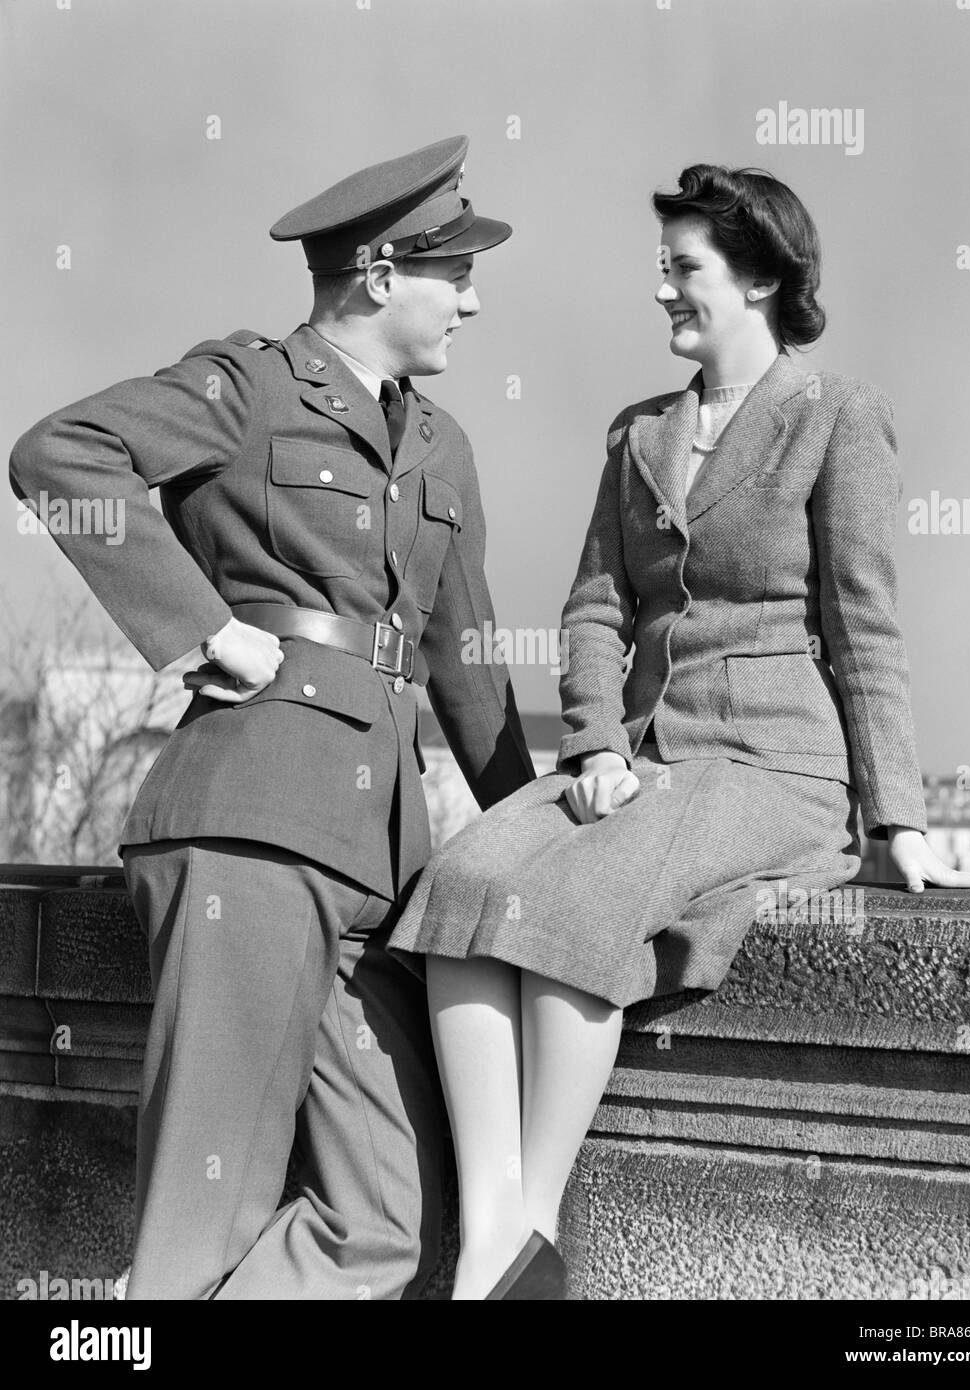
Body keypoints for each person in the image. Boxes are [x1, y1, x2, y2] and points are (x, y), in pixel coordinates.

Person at [387, 162, 970, 1300]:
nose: (662, 292)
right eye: (663, 269)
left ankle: (526, 1225)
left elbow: (863, 621)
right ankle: (497, 1236)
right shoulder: (636, 433)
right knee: (466, 876)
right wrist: (589, 750)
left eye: (683, 269)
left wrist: (902, 818)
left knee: (578, 903)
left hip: (775, 764)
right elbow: (594, 610)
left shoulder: (838, 415)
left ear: (762, 279)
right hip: (642, 757)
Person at [9, 135, 536, 1299]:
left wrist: (546, 829)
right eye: (455, 270)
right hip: (250, 826)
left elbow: (467, 665)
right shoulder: (249, 385)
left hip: (383, 868)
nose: (476, 299)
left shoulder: (444, 446)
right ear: (380, 272)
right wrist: (201, 627)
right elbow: (60, 453)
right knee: (207, 1210)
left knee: (385, 1225)